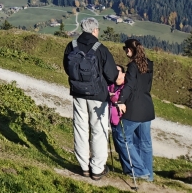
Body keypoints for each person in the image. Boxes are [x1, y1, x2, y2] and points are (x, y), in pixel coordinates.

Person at [63, 17, 119, 180]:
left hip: (78, 92)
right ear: (95, 30)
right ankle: (97, 168)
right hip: (98, 95)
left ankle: (84, 166)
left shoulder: (71, 46)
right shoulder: (100, 48)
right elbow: (112, 75)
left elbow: (67, 68)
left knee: (80, 128)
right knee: (98, 130)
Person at [117, 39, 155, 184]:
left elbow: (130, 85)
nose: (125, 51)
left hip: (134, 107)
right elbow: (148, 85)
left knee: (122, 136)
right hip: (147, 106)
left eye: (125, 48)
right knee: (145, 142)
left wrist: (121, 100)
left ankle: (140, 171)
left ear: (129, 50)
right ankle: (148, 175)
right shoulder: (149, 63)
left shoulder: (133, 66)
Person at [107, 65, 134, 181]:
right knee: (118, 147)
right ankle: (125, 169)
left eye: (117, 71)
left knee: (124, 145)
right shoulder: (111, 85)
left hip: (122, 120)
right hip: (112, 120)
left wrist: (112, 97)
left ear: (123, 74)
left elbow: (118, 98)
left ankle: (131, 170)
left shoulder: (125, 87)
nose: (114, 72)